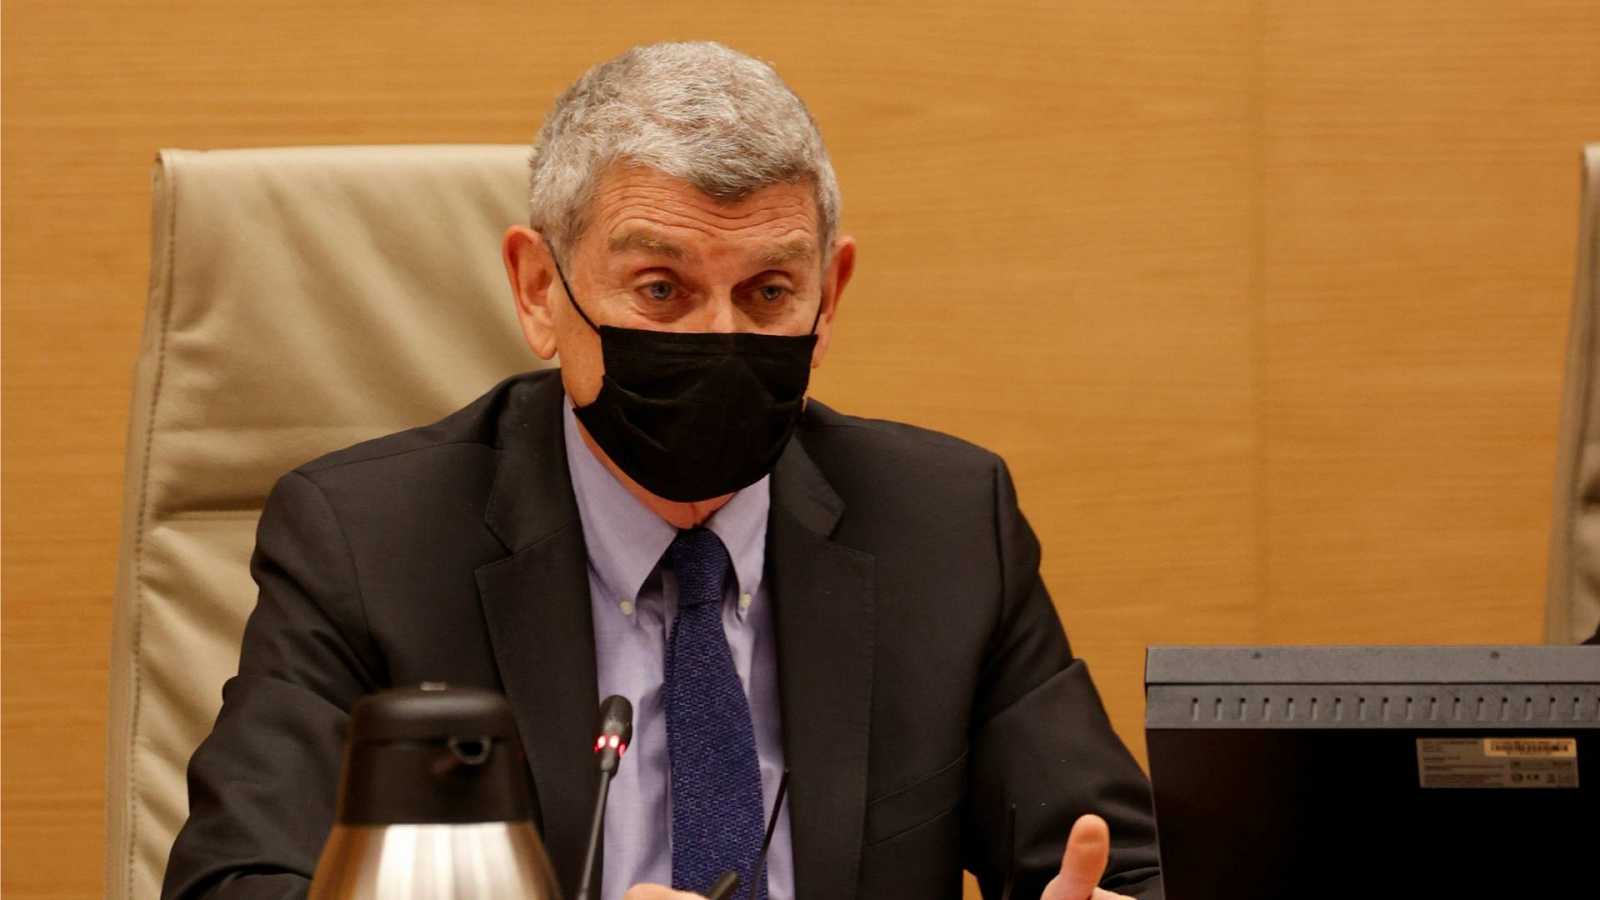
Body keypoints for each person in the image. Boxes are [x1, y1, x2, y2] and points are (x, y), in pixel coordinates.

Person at [162, 41, 1163, 900]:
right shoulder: (366, 544)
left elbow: (1117, 864)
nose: (717, 338)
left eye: (768, 292)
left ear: (829, 296)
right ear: (539, 289)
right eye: (659, 289)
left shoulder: (944, 529)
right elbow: (235, 881)